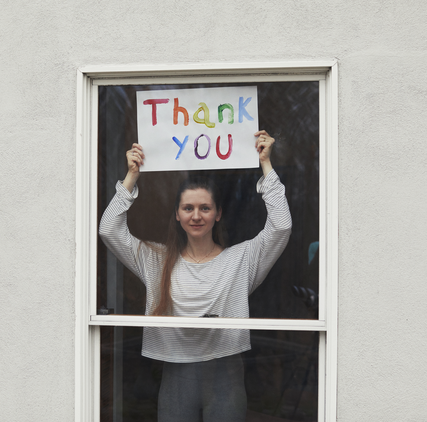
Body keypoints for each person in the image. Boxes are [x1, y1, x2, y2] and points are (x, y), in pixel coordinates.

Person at [98, 130, 292, 422]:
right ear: (177, 214)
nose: (196, 215)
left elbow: (281, 227)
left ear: (218, 214)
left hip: (225, 371)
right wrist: (131, 178)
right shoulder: (156, 260)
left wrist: (266, 164)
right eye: (188, 208)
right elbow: (108, 230)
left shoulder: (240, 259)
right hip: (176, 371)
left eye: (205, 208)